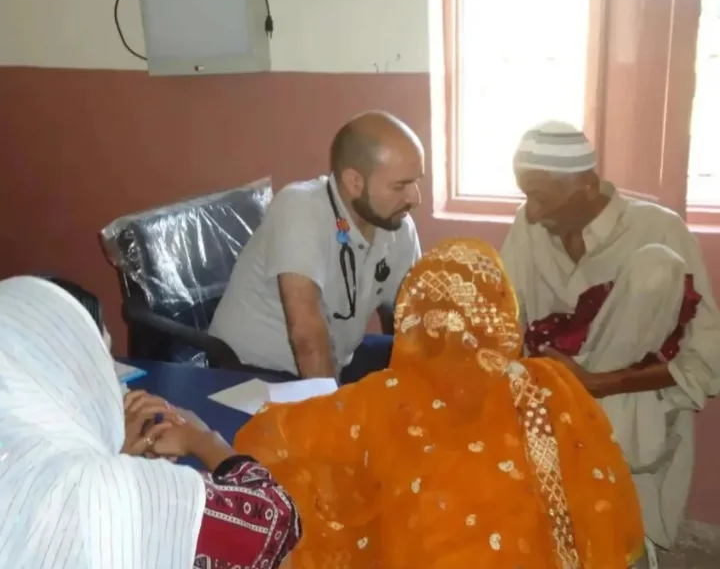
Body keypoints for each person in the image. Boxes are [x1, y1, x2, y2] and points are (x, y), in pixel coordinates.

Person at [232, 237, 645, 569]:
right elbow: (599, 500)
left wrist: (206, 441)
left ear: (414, 319)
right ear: (501, 312)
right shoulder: (547, 385)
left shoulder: (385, 395)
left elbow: (273, 439)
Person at [500, 120, 720, 560]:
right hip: (551, 407)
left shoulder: (659, 229)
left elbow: (709, 358)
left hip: (636, 422)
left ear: (586, 185)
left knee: (656, 267)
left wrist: (601, 383)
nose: (533, 212)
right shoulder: (529, 226)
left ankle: (603, 518)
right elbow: (505, 320)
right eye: (527, 196)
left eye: (542, 197)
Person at [0, 276, 301, 569]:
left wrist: (113, 454)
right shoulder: (111, 496)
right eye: (104, 362)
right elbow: (277, 522)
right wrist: (203, 439)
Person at [209, 110, 424, 384]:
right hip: (252, 371)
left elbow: (410, 316)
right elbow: (307, 337)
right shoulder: (300, 208)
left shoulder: (397, 224)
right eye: (400, 186)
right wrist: (334, 408)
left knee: (437, 374)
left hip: (337, 359)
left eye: (417, 181)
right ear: (354, 183)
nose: (415, 198)